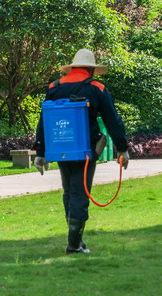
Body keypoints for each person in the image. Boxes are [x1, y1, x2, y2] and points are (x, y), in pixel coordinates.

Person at [33, 48, 129, 255]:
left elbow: (45, 121)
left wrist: (40, 151)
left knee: (69, 192)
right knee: (80, 194)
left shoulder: (54, 87)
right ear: (91, 70)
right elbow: (113, 121)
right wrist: (122, 149)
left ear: (73, 67)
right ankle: (74, 245)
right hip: (86, 150)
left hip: (60, 148)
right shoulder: (97, 88)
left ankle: (77, 241)